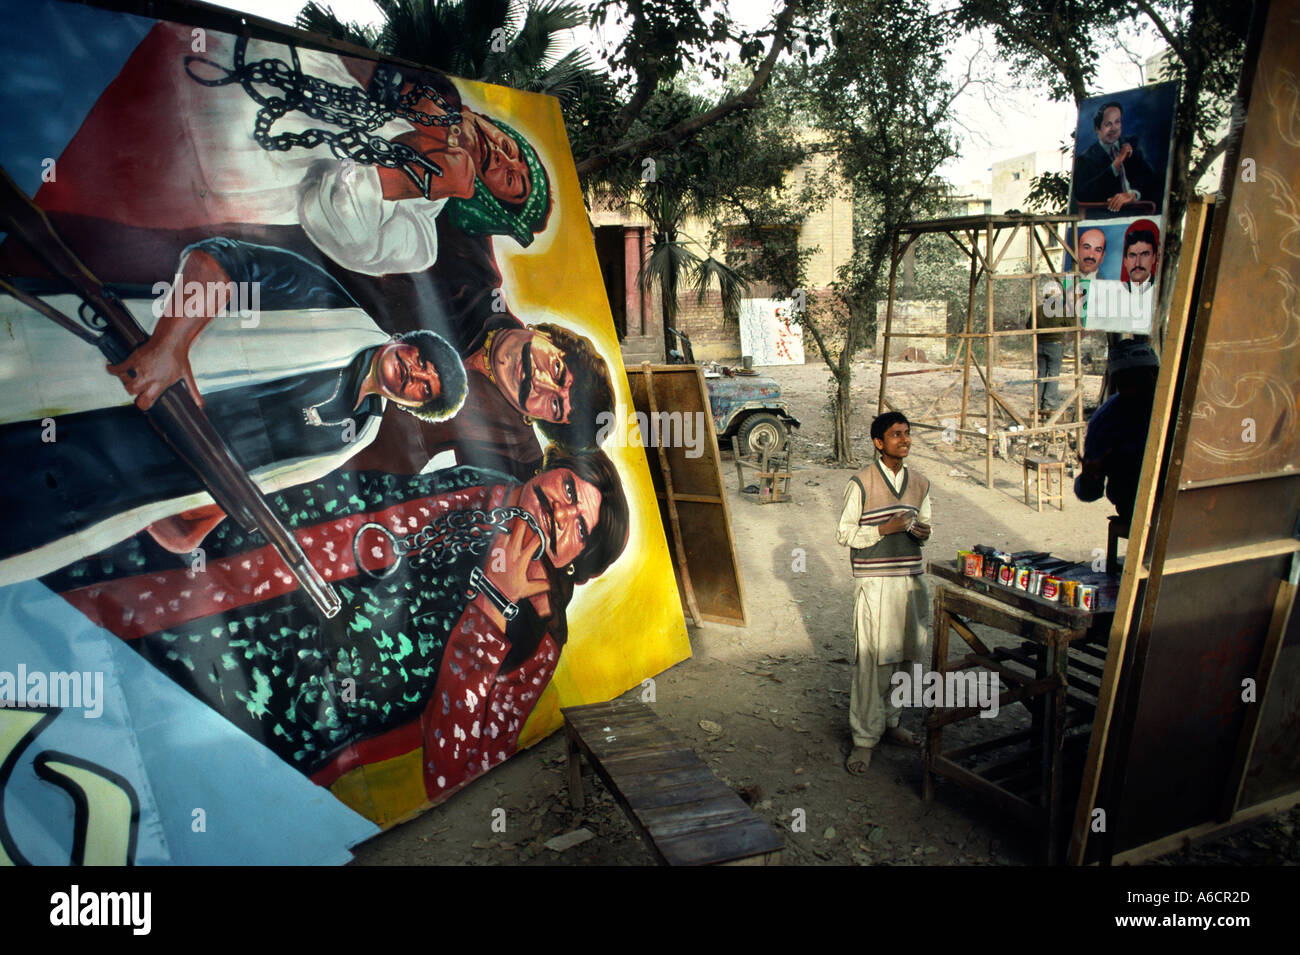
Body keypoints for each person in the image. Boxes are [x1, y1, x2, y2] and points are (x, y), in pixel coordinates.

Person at [50, 450, 629, 798]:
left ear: (574, 560)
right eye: (570, 489)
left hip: (280, 707)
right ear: (550, 471)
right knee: (72, 622)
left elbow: (461, 769)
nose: (564, 509)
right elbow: (362, 500)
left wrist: (490, 607)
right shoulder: (483, 485)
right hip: (234, 581)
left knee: (136, 748)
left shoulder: (538, 637)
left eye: (580, 525)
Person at [0, 237, 468, 582]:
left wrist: (204, 517)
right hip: (118, 386)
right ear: (403, 342)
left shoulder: (356, 431)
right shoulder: (327, 308)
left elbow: (266, 476)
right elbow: (218, 257)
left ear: (416, 407)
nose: (416, 376)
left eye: (425, 389)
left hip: (135, 482)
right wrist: (169, 345)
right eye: (421, 361)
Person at [29, 24, 552, 277]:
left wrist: (414, 172)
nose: (503, 160)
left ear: (485, 200)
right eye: (510, 150)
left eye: (510, 180)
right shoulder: (425, 87)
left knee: (39, 211)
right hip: (160, 68)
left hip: (172, 176)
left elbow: (331, 217)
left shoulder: (418, 238)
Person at [837, 412, 932, 775]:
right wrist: (882, 529)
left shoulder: (921, 483)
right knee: (872, 660)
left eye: (907, 433)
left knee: (906, 656)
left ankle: (891, 722)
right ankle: (863, 740)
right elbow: (845, 533)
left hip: (910, 580)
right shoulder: (860, 483)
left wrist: (921, 532)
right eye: (896, 435)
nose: (904, 440)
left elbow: (927, 525)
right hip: (875, 582)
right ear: (879, 442)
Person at [1074, 341, 1160, 524]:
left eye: (1143, 380)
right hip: (1136, 506)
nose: (1136, 389)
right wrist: (1090, 477)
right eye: (1128, 382)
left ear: (1155, 375)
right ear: (1118, 384)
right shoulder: (1105, 422)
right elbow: (1089, 493)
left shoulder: (1180, 404)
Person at [1074, 102, 1161, 214]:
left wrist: (1133, 194)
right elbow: (1084, 194)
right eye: (1108, 124)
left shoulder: (1132, 146)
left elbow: (1151, 180)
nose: (1114, 128)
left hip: (1139, 213)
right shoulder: (1086, 159)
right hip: (1107, 218)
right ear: (1097, 129)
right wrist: (1116, 163)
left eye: (1117, 122)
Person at [1035, 283, 1076, 412]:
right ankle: (1049, 403)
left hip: (1040, 345)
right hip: (1054, 345)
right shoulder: (1060, 310)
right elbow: (1072, 324)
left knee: (1041, 373)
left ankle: (1038, 402)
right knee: (1053, 374)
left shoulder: (1037, 310)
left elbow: (1028, 325)